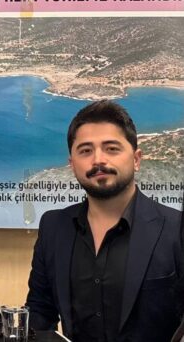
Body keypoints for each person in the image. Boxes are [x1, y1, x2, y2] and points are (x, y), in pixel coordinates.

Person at [26, 100, 183, 342]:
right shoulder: (54, 227)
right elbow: (39, 313)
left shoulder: (175, 229)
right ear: (72, 164)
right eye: (85, 151)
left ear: (136, 159)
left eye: (111, 148)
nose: (98, 160)